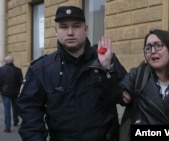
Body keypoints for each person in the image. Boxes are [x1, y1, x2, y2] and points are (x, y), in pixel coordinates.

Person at [17, 6, 127, 141]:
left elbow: (123, 98)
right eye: (63, 27)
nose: (70, 32)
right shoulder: (41, 69)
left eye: (76, 26)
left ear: (86, 29)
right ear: (56, 31)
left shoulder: (107, 60)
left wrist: (107, 69)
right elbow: (30, 115)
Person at [120, 29, 169, 125]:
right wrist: (107, 65)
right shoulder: (138, 76)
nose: (152, 51)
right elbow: (114, 95)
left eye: (158, 45)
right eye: (148, 48)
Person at [0, 55, 23, 133]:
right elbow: (20, 82)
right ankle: (16, 120)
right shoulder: (18, 70)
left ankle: (7, 127)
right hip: (15, 92)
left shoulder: (1, 70)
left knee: (7, 110)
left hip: (5, 93)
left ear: (6, 61)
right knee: (15, 107)